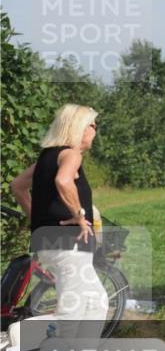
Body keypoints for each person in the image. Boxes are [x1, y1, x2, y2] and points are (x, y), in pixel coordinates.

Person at [9, 104, 108, 337]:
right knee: (72, 311)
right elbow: (63, 181)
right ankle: (31, 341)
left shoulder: (48, 157)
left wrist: (38, 218)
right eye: (94, 125)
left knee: (96, 301)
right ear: (82, 127)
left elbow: (17, 186)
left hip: (50, 242)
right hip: (69, 244)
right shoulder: (71, 154)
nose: (95, 131)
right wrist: (79, 215)